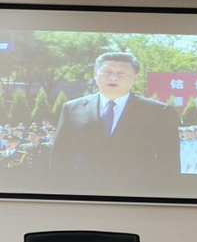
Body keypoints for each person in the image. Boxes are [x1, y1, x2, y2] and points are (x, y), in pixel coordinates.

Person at [51, 52, 181, 192]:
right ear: (95, 73)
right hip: (83, 195)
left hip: (136, 195)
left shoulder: (159, 112)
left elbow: (169, 163)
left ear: (135, 78)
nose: (113, 77)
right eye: (107, 71)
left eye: (122, 73)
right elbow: (59, 155)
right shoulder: (72, 108)